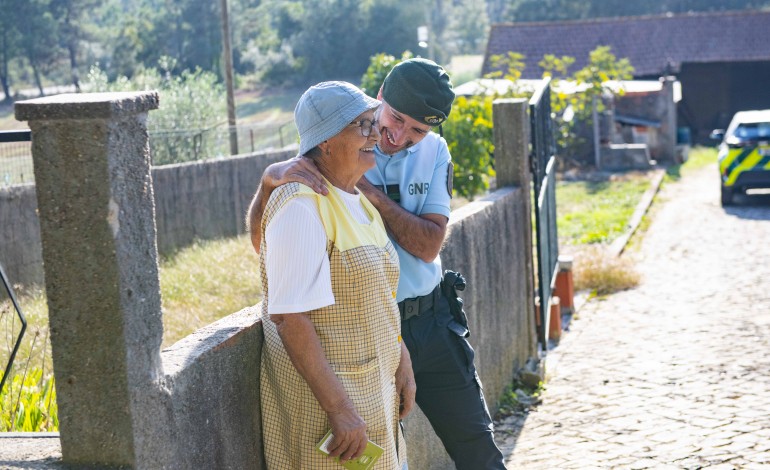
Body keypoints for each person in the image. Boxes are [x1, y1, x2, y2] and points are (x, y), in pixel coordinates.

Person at [248, 59, 505, 469]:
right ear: (379, 99)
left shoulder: (420, 155)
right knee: (383, 457)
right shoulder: (320, 166)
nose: (396, 136)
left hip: (427, 323)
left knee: (477, 448)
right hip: (361, 343)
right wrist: (268, 182)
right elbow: (270, 255)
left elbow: (428, 245)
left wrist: (360, 188)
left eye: (418, 130)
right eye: (391, 120)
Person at [255, 81, 415, 469]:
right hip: (330, 414)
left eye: (373, 122)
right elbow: (290, 318)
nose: (376, 134)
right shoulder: (299, 205)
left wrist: (402, 361)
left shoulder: (360, 203)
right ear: (325, 141)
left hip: (372, 395)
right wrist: (340, 409)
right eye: (362, 125)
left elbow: (377, 297)